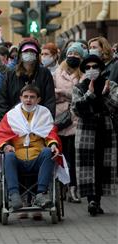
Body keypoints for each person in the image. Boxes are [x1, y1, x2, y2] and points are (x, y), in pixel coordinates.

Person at [0, 85, 61, 211]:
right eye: (25, 97)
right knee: (8, 155)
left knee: (48, 151)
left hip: (37, 158)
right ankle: (14, 195)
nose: (28, 100)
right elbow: (0, 136)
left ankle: (41, 194)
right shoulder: (11, 115)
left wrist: (53, 145)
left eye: (32, 97)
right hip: (17, 158)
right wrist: (6, 145)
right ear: (20, 98)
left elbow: (51, 133)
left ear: (38, 99)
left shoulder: (44, 113)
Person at [71, 54, 118, 216]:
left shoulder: (109, 84)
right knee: (87, 164)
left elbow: (115, 104)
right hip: (86, 129)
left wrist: (104, 94)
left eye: (95, 67)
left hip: (105, 127)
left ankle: (97, 200)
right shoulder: (79, 87)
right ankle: (91, 200)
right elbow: (76, 109)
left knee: (102, 164)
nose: (92, 70)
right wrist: (90, 95)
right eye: (88, 67)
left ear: (100, 68)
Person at [0, 38, 56, 128]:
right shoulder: (11, 74)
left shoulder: (45, 74)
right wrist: (6, 124)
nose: (29, 53)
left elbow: (50, 101)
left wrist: (46, 123)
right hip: (14, 125)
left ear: (36, 55)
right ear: (20, 54)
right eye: (26, 51)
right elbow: (3, 101)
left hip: (39, 125)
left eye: (32, 51)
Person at [53, 42, 85, 203]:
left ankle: (73, 188)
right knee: (60, 155)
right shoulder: (57, 72)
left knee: (73, 157)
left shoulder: (84, 73)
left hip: (76, 119)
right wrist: (68, 95)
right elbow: (52, 94)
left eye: (77, 55)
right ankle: (61, 186)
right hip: (60, 119)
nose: (73, 57)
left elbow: (82, 94)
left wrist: (64, 93)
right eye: (71, 53)